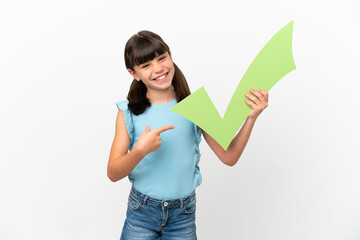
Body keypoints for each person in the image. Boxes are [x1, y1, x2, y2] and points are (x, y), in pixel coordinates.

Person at [107, 30, 269, 240]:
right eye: (146, 65)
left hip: (182, 216)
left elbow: (229, 157)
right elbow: (113, 173)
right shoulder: (128, 111)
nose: (158, 68)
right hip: (141, 213)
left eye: (161, 58)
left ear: (170, 55)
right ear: (134, 74)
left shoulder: (197, 107)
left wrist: (251, 118)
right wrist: (140, 151)